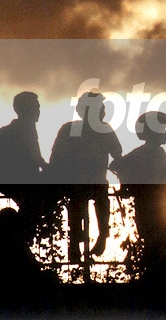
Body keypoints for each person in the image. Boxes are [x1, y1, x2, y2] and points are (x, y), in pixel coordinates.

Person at [50, 92, 122, 262]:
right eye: (101, 108)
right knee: (80, 200)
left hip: (93, 182)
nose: (103, 112)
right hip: (77, 182)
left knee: (92, 198)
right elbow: (56, 158)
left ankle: (98, 236)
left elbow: (118, 156)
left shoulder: (103, 130)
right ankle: (78, 241)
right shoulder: (70, 129)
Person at [109, 111, 166, 284]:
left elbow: (115, 165)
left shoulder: (139, 152)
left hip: (144, 207)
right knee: (165, 246)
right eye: (162, 129)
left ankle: (153, 281)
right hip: (160, 208)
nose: (165, 133)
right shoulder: (157, 152)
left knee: (152, 245)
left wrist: (130, 183)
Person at [0, 92, 48, 240]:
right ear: (25, 109)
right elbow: (37, 159)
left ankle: (18, 234)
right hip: (18, 181)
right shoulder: (24, 130)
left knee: (31, 208)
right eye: (36, 107)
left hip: (16, 181)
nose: (38, 111)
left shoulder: (11, 130)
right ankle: (18, 236)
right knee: (34, 206)